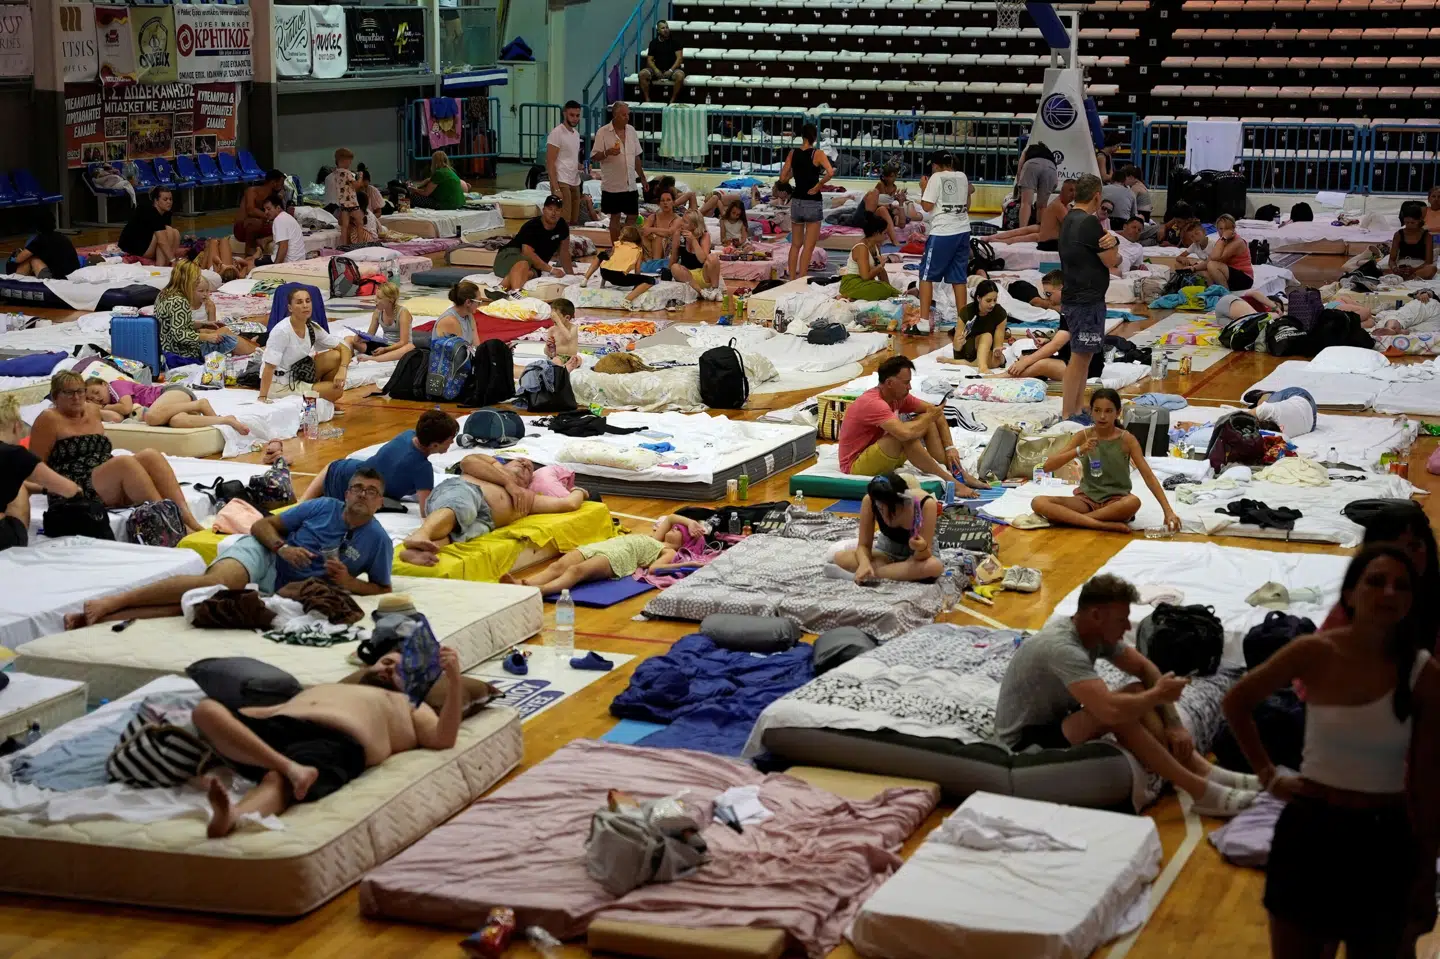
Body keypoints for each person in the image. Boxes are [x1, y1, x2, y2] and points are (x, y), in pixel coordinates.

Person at [1222, 545, 1440, 957]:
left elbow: (1429, 784)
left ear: (1412, 601)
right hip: (1312, 832)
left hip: (1385, 840)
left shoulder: (1424, 675)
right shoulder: (1315, 652)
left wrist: (1426, 873)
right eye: (1376, 581)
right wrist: (1268, 774)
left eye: (1402, 586)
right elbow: (1236, 701)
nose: (1389, 593)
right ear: (1351, 592)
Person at [996, 572, 1258, 817]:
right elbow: (1110, 710)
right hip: (1024, 740)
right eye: (1121, 619)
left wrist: (1174, 724)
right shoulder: (1063, 648)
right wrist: (1157, 696)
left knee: (1134, 691)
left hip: (1058, 721)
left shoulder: (1093, 632)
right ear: (1097, 615)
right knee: (1117, 714)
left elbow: (1144, 667)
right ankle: (1200, 791)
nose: (1126, 627)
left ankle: (1203, 770)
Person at [194, 640, 479, 838]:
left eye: (400, 672)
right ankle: (290, 768)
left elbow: (443, 738)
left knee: (277, 781)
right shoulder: (329, 686)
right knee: (206, 710)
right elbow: (271, 710)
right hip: (281, 726)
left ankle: (233, 815)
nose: (389, 669)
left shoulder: (409, 702)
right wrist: (233, 722)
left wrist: (454, 681)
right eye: (386, 662)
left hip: (337, 742)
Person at [64, 467, 393, 630]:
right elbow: (261, 525)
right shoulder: (322, 507)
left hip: (287, 589)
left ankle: (105, 618)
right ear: (347, 493)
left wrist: (349, 583)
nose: (362, 495)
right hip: (264, 555)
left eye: (371, 492)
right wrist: (282, 549)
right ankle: (112, 601)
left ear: (380, 503)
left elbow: (381, 586)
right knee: (216, 586)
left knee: (206, 605)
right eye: (357, 489)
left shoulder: (377, 540)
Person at [31, 371, 203, 533]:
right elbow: (34, 466)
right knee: (124, 462)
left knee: (150, 455)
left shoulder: (92, 409)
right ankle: (170, 523)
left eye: (80, 391)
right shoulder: (49, 419)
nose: (76, 397)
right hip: (75, 484)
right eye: (68, 393)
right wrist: (54, 488)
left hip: (104, 474)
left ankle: (189, 519)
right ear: (55, 397)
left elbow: (117, 416)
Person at [1031, 387, 1182, 534]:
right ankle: (1101, 525)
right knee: (1038, 502)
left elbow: (1148, 476)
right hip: (1086, 500)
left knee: (1133, 502)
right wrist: (1079, 450)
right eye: (1097, 410)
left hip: (1115, 502)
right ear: (1091, 412)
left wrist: (1168, 511)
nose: (1102, 416)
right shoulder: (1082, 436)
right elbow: (1047, 467)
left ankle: (1074, 521)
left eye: (1108, 411)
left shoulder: (1126, 439)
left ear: (1118, 413)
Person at [398, 454, 588, 566]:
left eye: (529, 470)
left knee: (460, 534)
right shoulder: (489, 469)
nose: (525, 465)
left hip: (486, 521)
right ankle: (421, 534)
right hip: (464, 491)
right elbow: (467, 462)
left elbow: (568, 504)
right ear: (503, 464)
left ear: (529, 483)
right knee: (462, 508)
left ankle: (417, 552)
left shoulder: (527, 499)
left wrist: (579, 491)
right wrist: (508, 482)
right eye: (519, 461)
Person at [837, 354, 982, 492]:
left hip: (881, 455)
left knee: (926, 422)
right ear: (889, 383)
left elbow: (936, 413)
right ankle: (951, 481)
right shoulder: (874, 403)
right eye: (906, 383)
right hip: (855, 465)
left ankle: (958, 473)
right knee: (905, 435)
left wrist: (950, 448)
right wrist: (928, 418)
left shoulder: (898, 396)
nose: (910, 387)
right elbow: (905, 433)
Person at [1319, 504, 1439, 648]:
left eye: (1414, 546)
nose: (1405, 556)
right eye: (1393, 549)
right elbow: (1318, 652)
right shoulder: (1357, 599)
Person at [302, 410, 459, 516]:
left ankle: (301, 502)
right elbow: (426, 511)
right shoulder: (421, 468)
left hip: (337, 471)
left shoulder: (407, 435)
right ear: (434, 445)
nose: (452, 442)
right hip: (352, 492)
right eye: (449, 440)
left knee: (301, 506)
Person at [509, 514, 704, 596]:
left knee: (576, 571)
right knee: (557, 566)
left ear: (684, 541)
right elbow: (670, 518)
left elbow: (655, 568)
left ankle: (540, 591)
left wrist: (691, 566)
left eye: (679, 530)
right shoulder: (656, 536)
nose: (674, 528)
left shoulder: (668, 550)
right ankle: (524, 584)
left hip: (621, 556)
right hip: (608, 545)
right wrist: (690, 522)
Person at [1056, 174, 1118, 420]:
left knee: (1084, 354)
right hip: (1087, 299)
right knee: (1080, 357)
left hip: (1074, 295)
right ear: (1097, 196)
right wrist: (1114, 244)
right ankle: (1068, 411)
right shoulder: (1091, 224)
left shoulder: (1069, 218)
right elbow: (1112, 261)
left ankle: (1078, 406)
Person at [0, 394, 83, 551]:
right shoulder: (15, 455)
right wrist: (78, 489)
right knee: (20, 488)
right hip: (3, 540)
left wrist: (42, 489)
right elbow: (68, 489)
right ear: (16, 426)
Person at [831, 473, 944, 584]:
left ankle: (870, 575)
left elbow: (925, 554)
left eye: (892, 512)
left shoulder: (925, 504)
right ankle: (881, 573)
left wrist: (921, 548)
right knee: (840, 557)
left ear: (903, 502)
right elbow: (864, 545)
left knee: (934, 566)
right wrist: (864, 564)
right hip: (887, 553)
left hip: (917, 558)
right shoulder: (870, 500)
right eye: (880, 510)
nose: (885, 518)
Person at [258, 286, 352, 404]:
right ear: (290, 308)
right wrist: (262, 397)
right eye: (299, 302)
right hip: (280, 385)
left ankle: (321, 394)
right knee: (335, 391)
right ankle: (323, 396)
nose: (305, 305)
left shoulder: (312, 327)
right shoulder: (281, 331)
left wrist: (343, 369)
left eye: (308, 301)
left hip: (299, 374)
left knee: (335, 356)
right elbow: (269, 366)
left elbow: (344, 348)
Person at [154, 260, 257, 362]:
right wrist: (206, 337)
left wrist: (203, 324)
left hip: (164, 347)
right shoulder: (179, 301)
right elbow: (179, 335)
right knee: (224, 335)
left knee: (213, 330)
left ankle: (251, 346)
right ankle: (257, 350)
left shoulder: (164, 293)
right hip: (182, 352)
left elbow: (177, 324)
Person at [916, 151, 972, 322]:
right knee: (958, 277)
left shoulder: (936, 178)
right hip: (963, 230)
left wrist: (923, 188)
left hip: (943, 232)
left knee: (926, 275)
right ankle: (962, 322)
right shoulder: (962, 177)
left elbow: (926, 206)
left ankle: (924, 322)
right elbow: (967, 203)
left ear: (935, 165)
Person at [85, 378, 251, 434]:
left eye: (96, 392)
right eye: (92, 399)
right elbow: (115, 417)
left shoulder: (116, 385)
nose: (97, 398)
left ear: (103, 384)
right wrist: (97, 409)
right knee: (178, 422)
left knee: (152, 417)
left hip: (169, 393)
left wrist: (102, 407)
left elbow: (126, 408)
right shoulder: (111, 404)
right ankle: (224, 420)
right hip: (170, 409)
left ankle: (200, 404)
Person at [780, 123, 834, 281]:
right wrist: (819, 185)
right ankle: (802, 278)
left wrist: (794, 174)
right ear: (815, 137)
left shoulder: (792, 153)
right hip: (812, 201)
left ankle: (791, 280)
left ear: (801, 136)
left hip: (797, 201)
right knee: (808, 246)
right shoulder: (818, 153)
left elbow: (782, 178)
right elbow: (830, 172)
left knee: (795, 245)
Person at [494, 194, 573, 293]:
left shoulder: (562, 226)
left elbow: (564, 252)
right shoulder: (532, 226)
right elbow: (527, 253)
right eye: (550, 209)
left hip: (534, 266)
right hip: (508, 256)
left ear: (561, 212)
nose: (553, 213)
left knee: (530, 273)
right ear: (544, 210)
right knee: (524, 263)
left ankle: (500, 288)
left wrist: (571, 275)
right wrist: (551, 270)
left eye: (557, 210)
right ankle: (516, 292)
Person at [591, 102, 645, 243]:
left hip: (630, 183)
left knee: (633, 215)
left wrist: (643, 178)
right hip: (613, 183)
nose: (627, 117)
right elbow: (595, 156)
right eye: (623, 114)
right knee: (615, 216)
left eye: (628, 114)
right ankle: (616, 246)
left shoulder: (631, 131)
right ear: (615, 115)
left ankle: (624, 241)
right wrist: (607, 152)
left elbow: (636, 156)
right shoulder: (603, 132)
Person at [989, 179, 1075, 250]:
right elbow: (1072, 227)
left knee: (1022, 232)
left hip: (1043, 231)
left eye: (1075, 191)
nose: (1073, 194)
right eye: (1071, 190)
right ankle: (994, 239)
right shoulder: (1060, 206)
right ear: (1063, 190)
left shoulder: (1065, 205)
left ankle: (993, 238)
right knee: (1020, 234)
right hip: (1047, 240)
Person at [585, 225, 658, 304]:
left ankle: (585, 279)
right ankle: (627, 300)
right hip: (620, 277)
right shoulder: (638, 249)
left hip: (604, 273)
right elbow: (637, 269)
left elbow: (611, 261)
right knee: (651, 280)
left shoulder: (617, 244)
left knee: (602, 255)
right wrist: (637, 282)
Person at [948, 279, 1007, 371]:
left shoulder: (1000, 313)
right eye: (988, 301)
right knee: (987, 336)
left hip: (985, 352)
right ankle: (982, 367)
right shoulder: (966, 312)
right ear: (978, 298)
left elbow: (997, 344)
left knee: (1001, 359)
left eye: (995, 300)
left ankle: (965, 363)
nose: (992, 304)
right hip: (967, 350)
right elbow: (956, 347)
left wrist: (997, 351)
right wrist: (959, 342)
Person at [839, 213, 900, 301]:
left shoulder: (876, 245)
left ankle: (855, 297)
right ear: (876, 233)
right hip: (853, 283)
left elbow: (881, 272)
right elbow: (865, 276)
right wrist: (880, 267)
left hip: (865, 283)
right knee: (880, 289)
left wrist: (890, 288)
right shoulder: (861, 248)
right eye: (884, 233)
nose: (886, 237)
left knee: (884, 288)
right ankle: (850, 295)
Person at [117, 186, 180, 264]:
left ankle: (168, 263)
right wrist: (173, 260)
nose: (169, 202)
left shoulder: (167, 213)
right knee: (167, 232)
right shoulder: (149, 211)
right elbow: (162, 240)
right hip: (135, 247)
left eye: (170, 199)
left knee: (175, 232)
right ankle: (161, 265)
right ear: (156, 201)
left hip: (147, 242)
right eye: (165, 199)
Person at [849, 167, 909, 248]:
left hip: (883, 210)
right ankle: (894, 241)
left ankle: (894, 240)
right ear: (885, 177)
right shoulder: (880, 186)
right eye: (891, 176)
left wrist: (901, 203)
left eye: (895, 176)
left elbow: (902, 224)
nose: (894, 179)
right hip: (868, 211)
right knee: (876, 197)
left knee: (886, 209)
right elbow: (874, 202)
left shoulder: (894, 190)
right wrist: (887, 205)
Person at [357, 282, 417, 362]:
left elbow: (403, 342)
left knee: (410, 347)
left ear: (390, 300)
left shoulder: (403, 313)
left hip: (399, 348)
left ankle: (373, 359)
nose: (375, 300)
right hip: (384, 345)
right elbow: (370, 336)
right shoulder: (377, 312)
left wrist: (385, 349)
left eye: (379, 298)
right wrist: (361, 337)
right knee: (350, 339)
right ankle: (344, 360)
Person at [667, 210, 722, 299]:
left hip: (703, 274)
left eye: (685, 222)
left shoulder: (705, 236)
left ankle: (715, 291)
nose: (681, 223)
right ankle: (702, 292)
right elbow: (674, 257)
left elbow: (703, 259)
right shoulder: (678, 234)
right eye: (682, 220)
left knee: (713, 257)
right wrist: (668, 272)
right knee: (675, 267)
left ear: (694, 225)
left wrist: (693, 241)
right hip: (687, 276)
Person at [546, 100, 584, 225]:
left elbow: (571, 157)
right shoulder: (557, 133)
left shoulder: (576, 135)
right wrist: (556, 188)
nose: (575, 119)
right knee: (564, 220)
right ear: (564, 114)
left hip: (575, 179)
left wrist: (580, 166)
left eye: (577, 116)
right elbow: (550, 162)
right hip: (561, 179)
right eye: (571, 115)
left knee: (574, 219)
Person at [12, 208, 80, 279]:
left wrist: (19, 254)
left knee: (31, 259)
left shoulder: (40, 240)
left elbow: (18, 259)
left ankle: (15, 284)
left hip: (58, 277)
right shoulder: (63, 237)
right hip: (73, 274)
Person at [235, 170, 286, 255]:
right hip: (243, 228)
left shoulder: (274, 197)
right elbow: (250, 210)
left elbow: (280, 214)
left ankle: (265, 240)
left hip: (260, 228)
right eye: (281, 183)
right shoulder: (252, 191)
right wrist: (268, 217)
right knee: (254, 222)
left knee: (284, 225)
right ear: (274, 183)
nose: (283, 186)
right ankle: (249, 250)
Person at [1383, 200, 1437, 281]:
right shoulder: (1398, 234)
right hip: (1402, 265)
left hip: (1419, 267)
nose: (1409, 225)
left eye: (1412, 223)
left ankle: (1410, 277)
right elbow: (1392, 259)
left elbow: (1428, 262)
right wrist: (1395, 268)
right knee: (1380, 269)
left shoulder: (1427, 236)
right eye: (1407, 222)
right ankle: (1405, 277)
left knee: (1432, 269)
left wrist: (1413, 270)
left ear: (1419, 221)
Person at [1200, 214, 1255, 291]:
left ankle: (1225, 293)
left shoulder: (1237, 242)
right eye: (1221, 229)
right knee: (1199, 266)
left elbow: (1216, 258)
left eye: (1227, 229)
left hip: (1245, 278)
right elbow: (1209, 259)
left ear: (1233, 228)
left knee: (1212, 265)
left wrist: (1223, 238)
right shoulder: (1222, 241)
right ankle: (1211, 291)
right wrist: (1193, 268)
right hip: (1229, 274)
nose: (1223, 232)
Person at [638, 20, 685, 104]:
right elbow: (649, 60)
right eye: (663, 28)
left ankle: (672, 100)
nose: (666, 30)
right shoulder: (653, 43)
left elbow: (679, 58)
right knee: (642, 74)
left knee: (680, 76)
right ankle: (647, 99)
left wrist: (670, 70)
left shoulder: (675, 41)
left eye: (667, 27)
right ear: (658, 31)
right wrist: (655, 70)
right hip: (657, 69)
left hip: (672, 69)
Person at [1015, 141, 1059, 229]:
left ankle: (1021, 230)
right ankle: (1040, 231)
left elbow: (1020, 165)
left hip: (1031, 164)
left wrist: (1019, 183)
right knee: (1042, 206)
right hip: (1051, 168)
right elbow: (1055, 176)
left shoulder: (1029, 148)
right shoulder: (1048, 152)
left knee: (1026, 203)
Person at [1253, 386, 1319, 440]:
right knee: (1263, 403)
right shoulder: (1267, 410)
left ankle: (1265, 395)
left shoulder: (1283, 437)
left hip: (1311, 424)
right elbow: (1244, 416)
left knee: (1262, 403)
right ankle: (1270, 395)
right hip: (1303, 398)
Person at [430, 280, 481, 346]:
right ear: (468, 302)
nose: (479, 304)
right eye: (479, 301)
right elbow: (460, 351)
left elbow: (476, 344)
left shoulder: (469, 315)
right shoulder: (450, 321)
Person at [261, 194, 306, 265]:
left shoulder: (279, 220)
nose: (266, 212)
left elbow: (283, 247)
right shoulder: (286, 217)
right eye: (265, 209)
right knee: (251, 260)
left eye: (268, 209)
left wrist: (274, 267)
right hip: (298, 261)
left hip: (289, 263)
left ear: (278, 208)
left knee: (249, 264)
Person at [641, 188, 683, 260]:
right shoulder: (653, 217)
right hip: (650, 251)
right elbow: (644, 231)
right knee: (644, 236)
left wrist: (652, 230)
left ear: (673, 202)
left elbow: (670, 232)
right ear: (659, 204)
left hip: (670, 253)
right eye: (662, 200)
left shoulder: (678, 219)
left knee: (659, 237)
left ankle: (655, 263)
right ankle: (651, 262)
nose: (665, 203)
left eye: (668, 200)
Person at [546, 298, 580, 370]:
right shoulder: (552, 330)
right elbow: (547, 353)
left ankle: (566, 366)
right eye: (552, 316)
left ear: (567, 317)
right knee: (556, 360)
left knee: (579, 359)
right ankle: (565, 368)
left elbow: (569, 337)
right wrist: (549, 347)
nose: (553, 319)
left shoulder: (573, 328)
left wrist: (558, 321)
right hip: (559, 357)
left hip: (572, 357)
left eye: (556, 316)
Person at [1214, 289, 1279, 321]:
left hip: (1227, 317)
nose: (1271, 309)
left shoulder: (1264, 312)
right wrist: (1275, 307)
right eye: (1276, 303)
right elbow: (1254, 293)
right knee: (1256, 320)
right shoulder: (1260, 299)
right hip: (1229, 302)